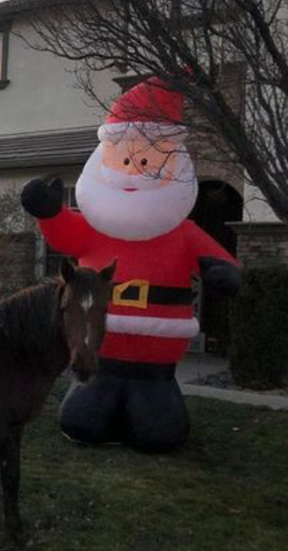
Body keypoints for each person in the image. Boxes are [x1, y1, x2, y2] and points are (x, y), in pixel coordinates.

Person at [21, 76, 240, 453]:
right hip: (101, 355)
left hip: (156, 366)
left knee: (158, 431)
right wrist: (47, 209)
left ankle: (150, 408)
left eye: (144, 162)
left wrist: (222, 273)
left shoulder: (181, 231)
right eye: (124, 160)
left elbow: (216, 260)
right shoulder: (95, 225)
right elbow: (64, 231)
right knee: (83, 420)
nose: (132, 171)